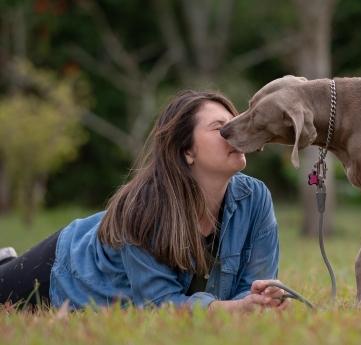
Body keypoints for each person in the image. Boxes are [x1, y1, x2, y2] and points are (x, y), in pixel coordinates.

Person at [0, 90, 288, 312]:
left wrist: (255, 302)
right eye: (219, 127)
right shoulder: (143, 207)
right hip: (68, 269)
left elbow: (253, 287)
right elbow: (158, 305)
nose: (237, 133)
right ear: (187, 151)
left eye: (237, 122)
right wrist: (234, 309)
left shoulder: (255, 199)